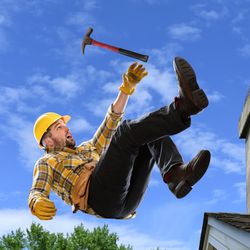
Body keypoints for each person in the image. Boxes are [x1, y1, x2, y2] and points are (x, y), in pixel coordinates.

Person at [29, 57, 211, 220]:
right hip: (97, 198)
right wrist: (36, 203)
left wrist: (126, 90)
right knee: (126, 132)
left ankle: (175, 175)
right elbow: (38, 190)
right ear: (48, 141)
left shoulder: (86, 148)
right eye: (59, 127)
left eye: (65, 125)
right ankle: (183, 108)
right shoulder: (47, 161)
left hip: (126, 202)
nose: (67, 128)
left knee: (146, 133)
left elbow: (110, 124)